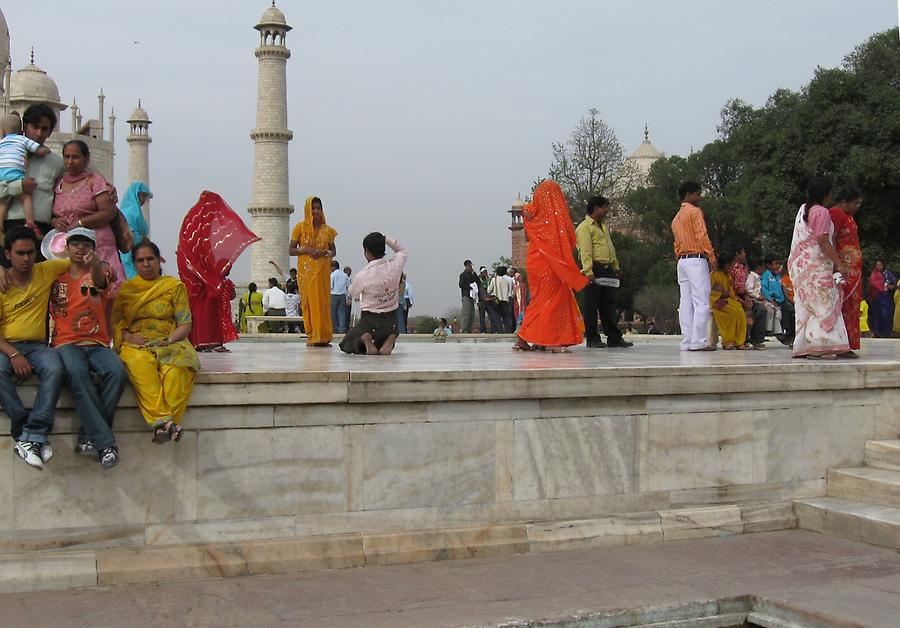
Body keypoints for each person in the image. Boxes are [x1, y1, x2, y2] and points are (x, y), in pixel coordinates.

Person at [50, 227, 126, 469]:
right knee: (77, 374)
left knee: (117, 372)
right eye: (76, 243)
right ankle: (105, 443)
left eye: (86, 243)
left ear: (93, 248)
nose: (80, 248)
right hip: (66, 343)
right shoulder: (55, 276)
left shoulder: (100, 270)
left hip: (96, 343)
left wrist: (95, 264)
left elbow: (102, 281)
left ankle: (88, 436)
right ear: (67, 246)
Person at [112, 240, 200, 442]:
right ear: (134, 264)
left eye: (150, 259)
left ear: (159, 260)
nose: (146, 264)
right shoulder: (127, 290)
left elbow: (185, 324)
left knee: (177, 371)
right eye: (140, 260)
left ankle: (163, 425)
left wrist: (168, 340)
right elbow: (115, 323)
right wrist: (129, 337)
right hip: (137, 343)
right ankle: (168, 423)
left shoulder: (173, 286)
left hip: (169, 341)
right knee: (140, 365)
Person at [0, 227, 68, 469]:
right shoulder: (2, 281)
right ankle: (24, 428)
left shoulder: (45, 270)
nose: (26, 258)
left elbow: (80, 261)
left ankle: (34, 434)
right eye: (20, 253)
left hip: (38, 347)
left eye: (30, 253)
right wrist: (14, 354)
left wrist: (103, 268)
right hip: (5, 346)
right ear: (8, 254)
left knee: (55, 367)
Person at [177, 191, 258, 352]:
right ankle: (202, 342)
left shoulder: (203, 229)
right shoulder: (193, 225)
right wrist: (206, 275)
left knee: (211, 311)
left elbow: (209, 255)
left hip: (206, 279)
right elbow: (187, 254)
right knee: (201, 311)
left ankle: (214, 342)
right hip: (196, 279)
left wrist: (214, 273)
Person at [514, 180, 588, 353]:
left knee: (541, 300)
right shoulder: (554, 218)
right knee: (551, 301)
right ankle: (550, 341)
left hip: (535, 261)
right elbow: (569, 238)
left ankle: (524, 338)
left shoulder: (532, 214)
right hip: (550, 264)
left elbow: (528, 237)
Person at [787, 177, 852, 359]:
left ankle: (803, 345)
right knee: (822, 304)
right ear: (826, 194)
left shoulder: (803, 210)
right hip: (816, 267)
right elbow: (822, 241)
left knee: (806, 306)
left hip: (801, 267)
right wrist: (838, 263)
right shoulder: (822, 212)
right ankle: (820, 344)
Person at [50, 140, 125, 296]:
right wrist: (55, 221)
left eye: (75, 157)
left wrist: (79, 223)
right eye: (67, 157)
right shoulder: (59, 183)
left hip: (98, 245)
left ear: (86, 158)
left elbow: (108, 212)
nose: (70, 162)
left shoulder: (94, 180)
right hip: (68, 248)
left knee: (103, 291)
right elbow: (53, 213)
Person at [0, 105, 63, 251]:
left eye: (44, 128)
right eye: (35, 127)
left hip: (40, 230)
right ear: (24, 127)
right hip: (7, 228)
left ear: (50, 132)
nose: (39, 133)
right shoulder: (4, 154)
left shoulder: (56, 162)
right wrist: (18, 187)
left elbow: (65, 193)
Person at [575, 195, 632, 349]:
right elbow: (585, 251)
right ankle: (593, 338)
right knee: (592, 306)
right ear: (596, 208)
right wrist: (588, 271)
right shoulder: (584, 228)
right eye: (605, 208)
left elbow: (610, 248)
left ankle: (614, 337)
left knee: (609, 305)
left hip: (607, 269)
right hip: (594, 269)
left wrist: (616, 267)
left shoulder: (603, 227)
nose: (607, 211)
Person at [339, 233, 407, 355]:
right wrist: (385, 239)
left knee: (346, 343)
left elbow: (352, 292)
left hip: (370, 320)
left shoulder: (363, 275)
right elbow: (402, 250)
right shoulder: (395, 266)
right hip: (391, 320)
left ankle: (364, 339)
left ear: (366, 251)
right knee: (383, 339)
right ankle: (391, 338)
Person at [672, 181, 716, 351]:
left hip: (682, 261)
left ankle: (687, 340)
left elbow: (676, 243)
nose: (699, 197)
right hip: (696, 259)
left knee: (685, 302)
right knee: (701, 301)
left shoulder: (676, 217)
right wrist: (711, 255)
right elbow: (701, 234)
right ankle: (699, 341)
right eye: (697, 194)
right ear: (689, 194)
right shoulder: (694, 212)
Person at [289, 196, 337, 347]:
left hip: (322, 270)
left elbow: (333, 251)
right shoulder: (300, 228)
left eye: (318, 208)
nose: (316, 211)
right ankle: (313, 335)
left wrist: (324, 253)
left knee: (322, 302)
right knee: (309, 303)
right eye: (313, 208)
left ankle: (324, 335)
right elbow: (291, 250)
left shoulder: (327, 230)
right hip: (306, 272)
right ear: (307, 210)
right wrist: (306, 250)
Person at [0, 112, 51, 237]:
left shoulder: (2, 142)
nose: (38, 133)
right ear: (22, 130)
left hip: (2, 176)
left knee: (3, 202)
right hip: (17, 175)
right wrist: (47, 150)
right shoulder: (23, 139)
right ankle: (30, 222)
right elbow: (39, 150)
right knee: (26, 197)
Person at [828, 187, 864, 349]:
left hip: (852, 270)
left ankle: (848, 343)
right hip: (844, 269)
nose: (858, 207)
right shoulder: (836, 213)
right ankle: (841, 343)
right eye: (855, 203)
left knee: (852, 306)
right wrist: (837, 264)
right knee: (845, 306)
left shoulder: (846, 215)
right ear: (844, 202)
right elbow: (831, 239)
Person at [709, 251, 750, 350]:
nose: (733, 266)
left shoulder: (728, 276)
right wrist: (719, 293)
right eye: (732, 264)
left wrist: (740, 301)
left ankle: (739, 341)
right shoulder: (714, 275)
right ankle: (727, 341)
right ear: (727, 264)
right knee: (732, 312)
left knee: (739, 310)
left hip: (727, 299)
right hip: (716, 302)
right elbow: (709, 291)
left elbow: (730, 292)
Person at [118, 181, 152, 279]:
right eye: (143, 196)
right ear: (135, 195)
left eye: (146, 196)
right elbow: (129, 236)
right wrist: (143, 240)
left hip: (138, 254)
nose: (144, 200)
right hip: (128, 257)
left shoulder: (136, 213)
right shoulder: (130, 213)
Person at [868, 260, 895, 338]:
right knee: (877, 314)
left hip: (887, 298)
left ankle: (887, 332)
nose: (879, 266)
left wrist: (890, 287)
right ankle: (877, 332)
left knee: (886, 314)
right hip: (877, 298)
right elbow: (873, 284)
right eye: (877, 265)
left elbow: (893, 284)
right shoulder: (874, 274)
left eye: (880, 265)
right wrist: (881, 288)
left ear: (883, 265)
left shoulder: (888, 273)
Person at [745, 260, 768, 349]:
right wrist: (758, 296)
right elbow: (749, 289)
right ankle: (757, 339)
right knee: (761, 310)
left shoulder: (758, 278)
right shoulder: (751, 276)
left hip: (758, 299)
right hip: (753, 300)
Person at [761, 257, 785, 338]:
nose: (778, 266)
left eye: (779, 264)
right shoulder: (766, 275)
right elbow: (764, 289)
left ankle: (779, 332)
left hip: (779, 299)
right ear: (768, 265)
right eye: (776, 264)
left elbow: (780, 289)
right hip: (770, 299)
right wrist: (771, 300)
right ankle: (769, 330)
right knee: (774, 310)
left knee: (782, 311)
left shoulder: (778, 277)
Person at [488, 266, 513, 333]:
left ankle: (500, 331)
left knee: (497, 317)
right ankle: (508, 331)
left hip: (497, 301)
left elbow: (489, 290)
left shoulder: (494, 279)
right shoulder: (507, 280)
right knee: (506, 318)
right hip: (505, 301)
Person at [458, 260, 479, 334]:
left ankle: (469, 330)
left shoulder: (472, 274)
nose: (471, 267)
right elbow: (461, 285)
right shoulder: (463, 275)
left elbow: (477, 281)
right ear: (466, 266)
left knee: (471, 314)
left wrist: (474, 274)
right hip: (466, 295)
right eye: (470, 266)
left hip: (472, 296)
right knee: (466, 314)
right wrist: (469, 287)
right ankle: (464, 330)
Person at [330, 259, 350, 333]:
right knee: (342, 313)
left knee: (333, 313)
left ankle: (335, 328)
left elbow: (331, 286)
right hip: (342, 295)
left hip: (334, 294)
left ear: (333, 267)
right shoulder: (345, 275)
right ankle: (342, 329)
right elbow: (348, 286)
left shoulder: (332, 275)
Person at [477, 266, 494, 332]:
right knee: (482, 317)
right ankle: (483, 331)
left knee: (492, 315)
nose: (485, 274)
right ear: (481, 273)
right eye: (483, 272)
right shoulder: (478, 280)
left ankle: (493, 330)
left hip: (489, 300)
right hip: (481, 301)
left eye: (486, 272)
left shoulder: (488, 280)